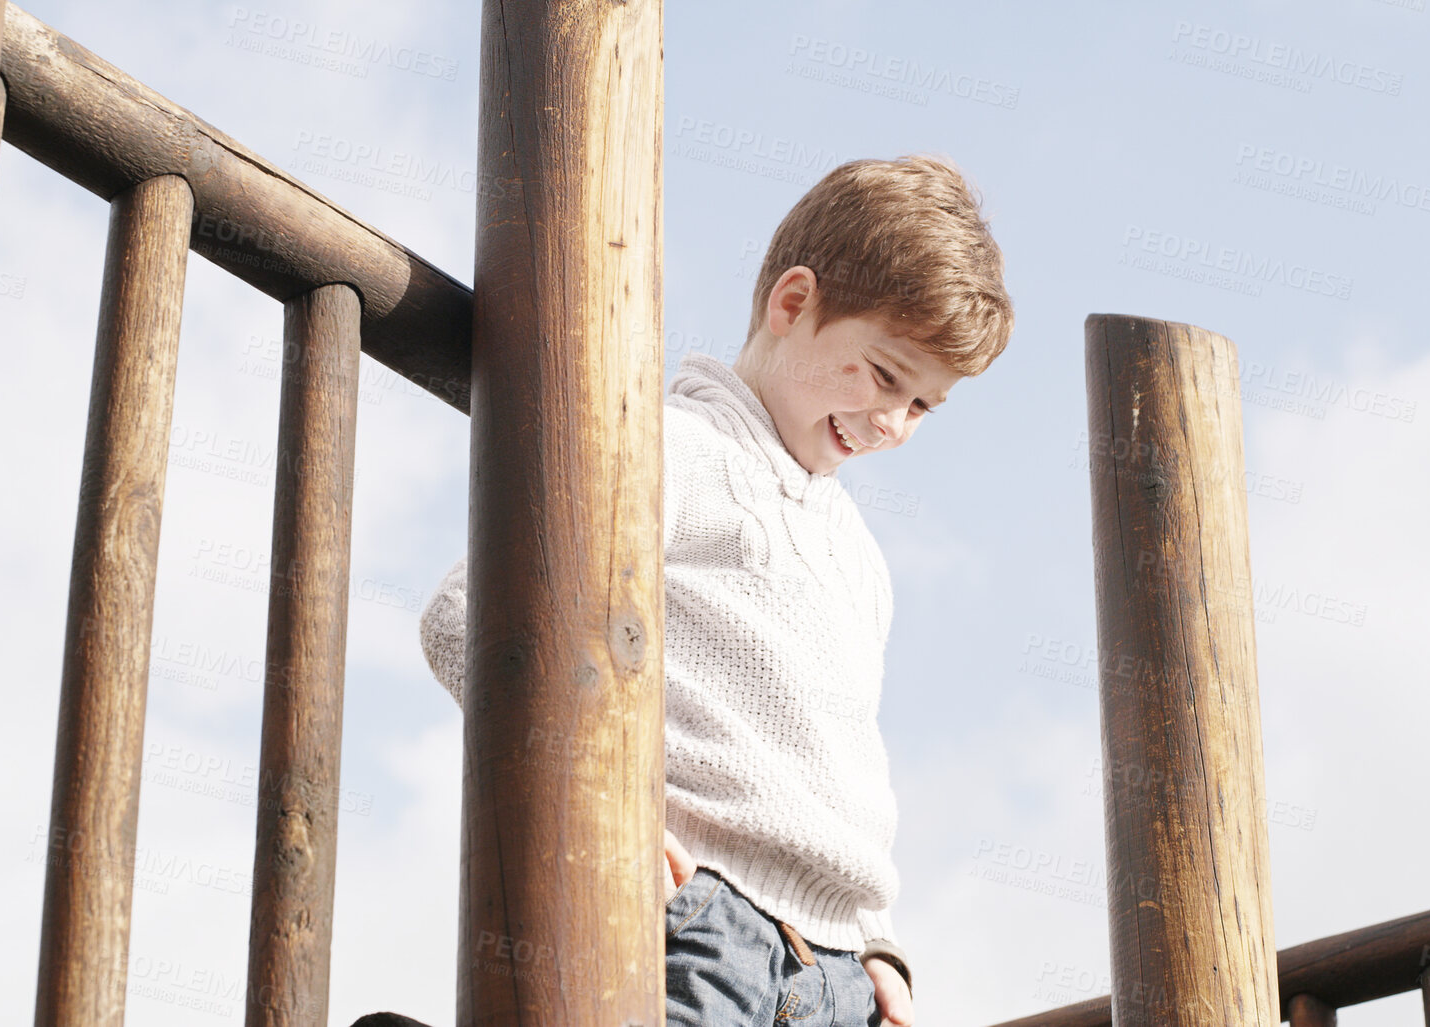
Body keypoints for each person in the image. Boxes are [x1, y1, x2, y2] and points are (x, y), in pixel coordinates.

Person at [419, 153, 1013, 1026]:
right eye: (885, 376)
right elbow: (464, 614)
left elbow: (839, 774)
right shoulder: (674, 449)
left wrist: (877, 943)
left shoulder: (861, 561)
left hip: (841, 971)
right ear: (792, 303)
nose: (893, 424)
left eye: (923, 405)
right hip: (703, 925)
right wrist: (600, 800)